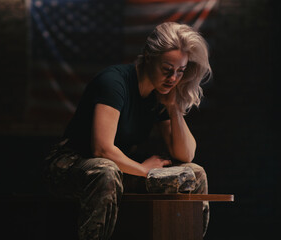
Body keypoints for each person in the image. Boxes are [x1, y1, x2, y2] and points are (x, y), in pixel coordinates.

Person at [42, 22, 212, 240]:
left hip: (118, 168)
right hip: (69, 165)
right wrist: (144, 170)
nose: (173, 79)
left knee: (194, 173)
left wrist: (174, 107)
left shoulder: (161, 93)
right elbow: (101, 149)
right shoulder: (114, 83)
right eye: (167, 70)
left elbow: (185, 155)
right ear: (149, 57)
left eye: (180, 71)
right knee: (106, 170)